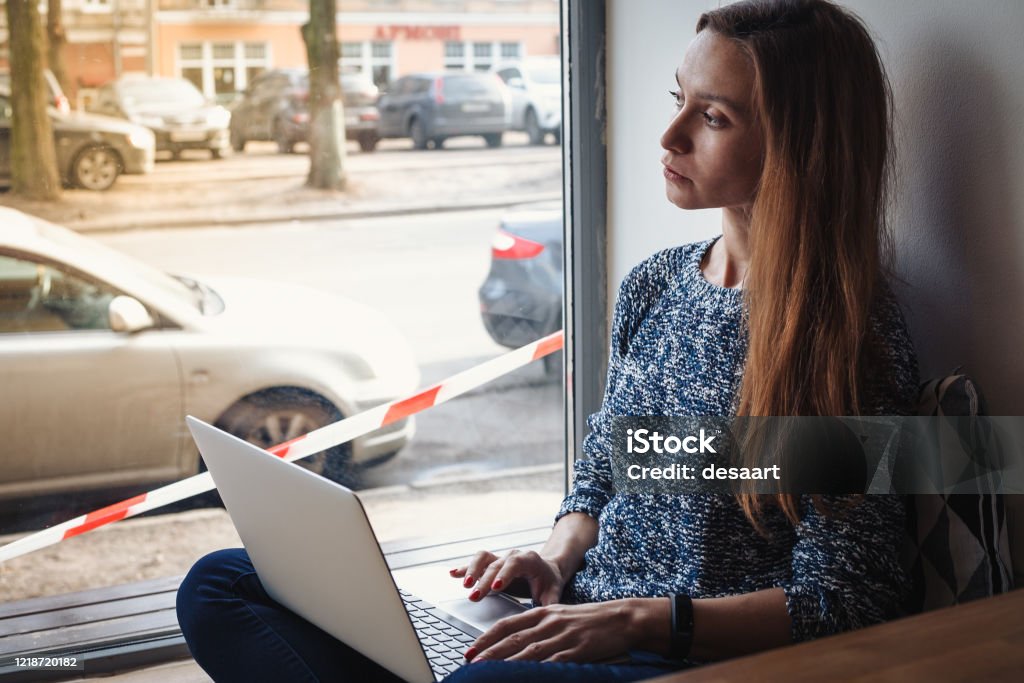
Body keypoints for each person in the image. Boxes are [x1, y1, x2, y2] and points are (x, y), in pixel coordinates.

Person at [175, 1, 920, 681]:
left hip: (677, 655)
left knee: (481, 679)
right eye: (677, 100)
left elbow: (847, 598)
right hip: (585, 614)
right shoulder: (657, 285)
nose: (669, 135)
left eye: (714, 117)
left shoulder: (846, 340)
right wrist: (558, 555)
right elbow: (604, 467)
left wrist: (635, 620)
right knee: (220, 583)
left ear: (800, 145)